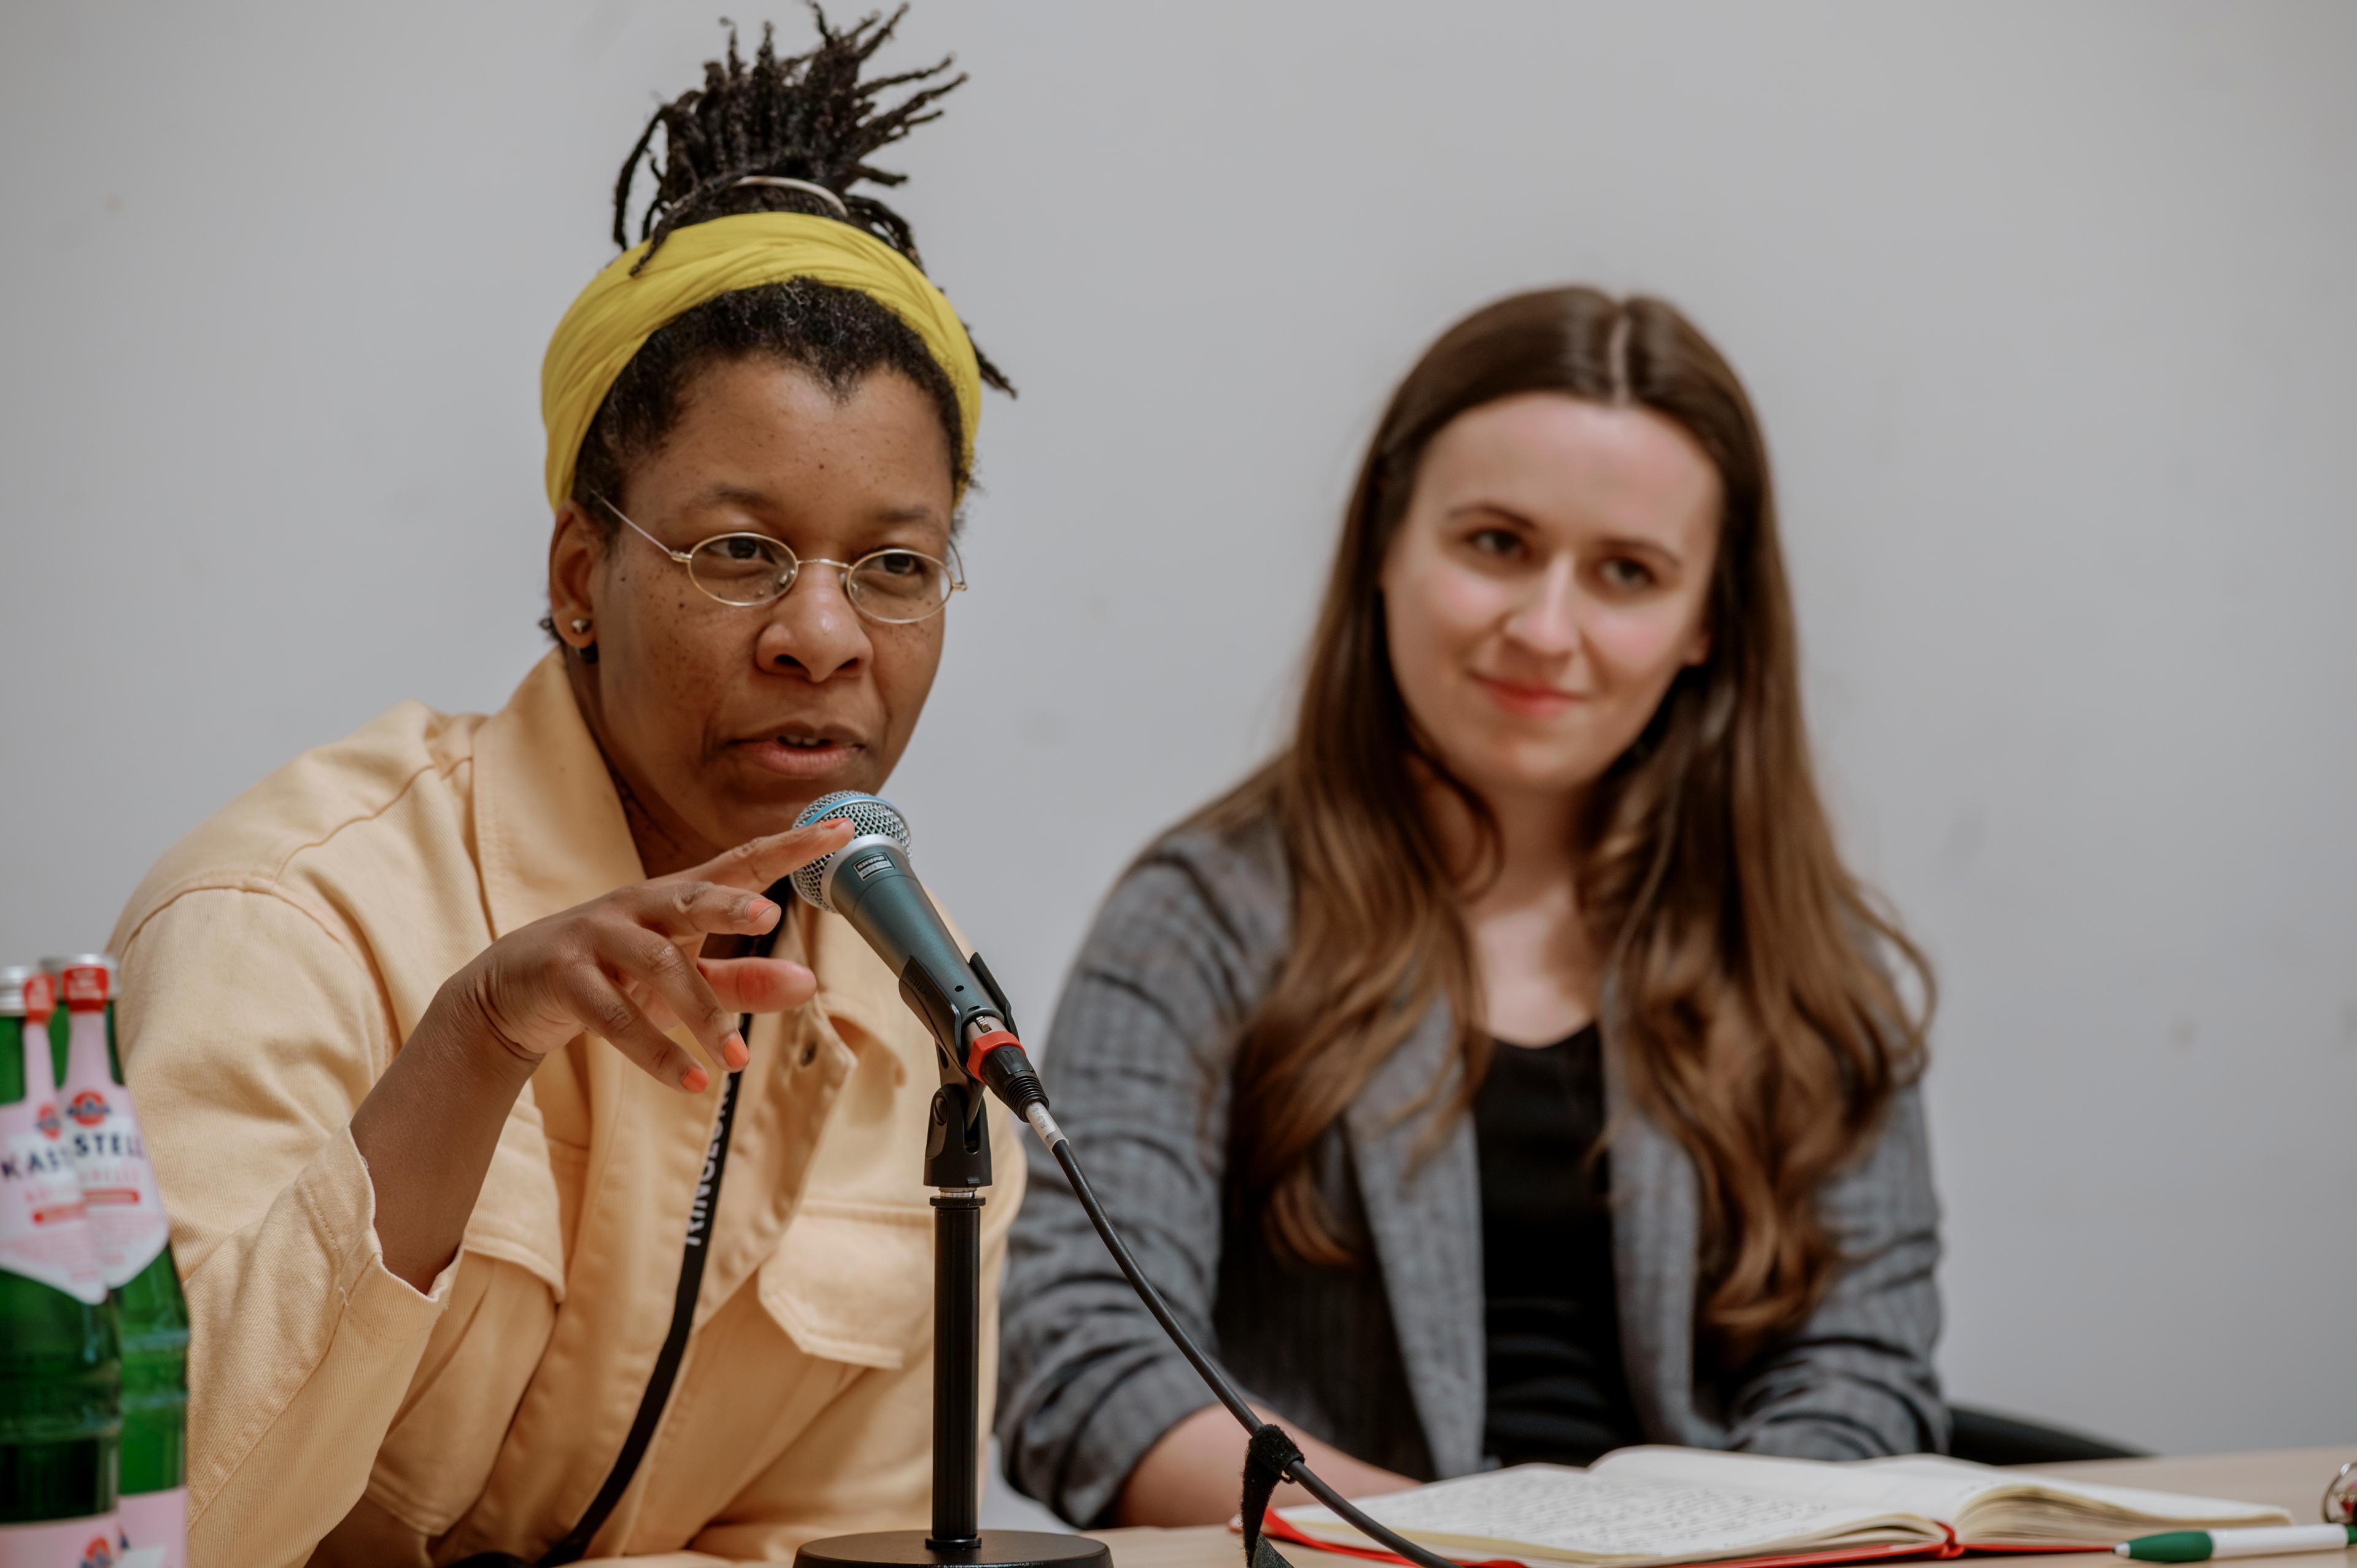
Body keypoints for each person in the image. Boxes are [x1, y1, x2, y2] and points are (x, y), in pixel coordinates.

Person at [107, 14, 1019, 1566]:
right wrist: (470, 1046)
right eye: (738, 553)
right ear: (581, 574)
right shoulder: (290, 920)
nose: (822, 636)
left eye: (895, 568)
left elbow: (836, 1548)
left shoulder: (911, 1021)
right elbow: (152, 1529)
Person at [997, 288, 1945, 1528]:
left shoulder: (1812, 963)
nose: (1546, 628)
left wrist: (1676, 1561)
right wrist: (1474, 1556)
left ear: (1707, 620)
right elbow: (1086, 1362)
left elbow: (1864, 1386)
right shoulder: (1196, 921)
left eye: (1627, 574)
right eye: (1496, 543)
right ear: (1388, 544)